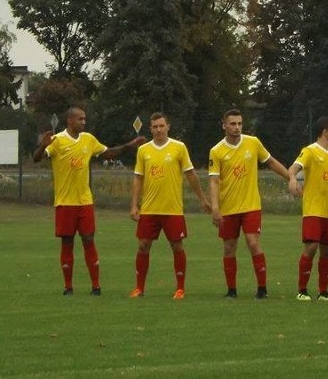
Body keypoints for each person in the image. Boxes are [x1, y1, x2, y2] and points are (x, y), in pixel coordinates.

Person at [33, 106, 143, 296]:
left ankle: (96, 286)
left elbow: (108, 152)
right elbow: (36, 158)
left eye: (85, 119)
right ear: (70, 121)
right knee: (67, 242)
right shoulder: (58, 140)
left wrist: (129, 145)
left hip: (85, 201)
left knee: (89, 239)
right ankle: (68, 287)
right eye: (80, 119)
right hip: (65, 202)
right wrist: (43, 145)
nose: (84, 122)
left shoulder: (88, 139)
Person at [208, 109, 290, 299]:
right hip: (228, 207)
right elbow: (213, 181)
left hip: (251, 205)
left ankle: (262, 289)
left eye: (239, 124)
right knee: (229, 247)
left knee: (253, 243)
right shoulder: (216, 151)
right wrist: (215, 207)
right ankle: (231, 291)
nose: (237, 127)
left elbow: (270, 162)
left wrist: (290, 177)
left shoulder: (253, 143)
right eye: (233, 124)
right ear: (224, 126)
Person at [129, 112, 211, 300]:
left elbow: (191, 175)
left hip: (172, 208)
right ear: (150, 129)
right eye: (155, 127)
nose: (158, 129)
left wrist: (203, 199)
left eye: (161, 126)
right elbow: (138, 178)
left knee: (177, 246)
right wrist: (134, 205)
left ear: (168, 126)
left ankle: (180, 288)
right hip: (149, 209)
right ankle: (139, 288)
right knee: (143, 246)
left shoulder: (179, 147)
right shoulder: (144, 150)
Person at [288, 117, 328, 301]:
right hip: (313, 209)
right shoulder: (309, 151)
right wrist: (292, 178)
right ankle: (302, 290)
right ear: (325, 132)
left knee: (327, 251)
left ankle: (323, 291)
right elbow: (293, 168)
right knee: (311, 247)